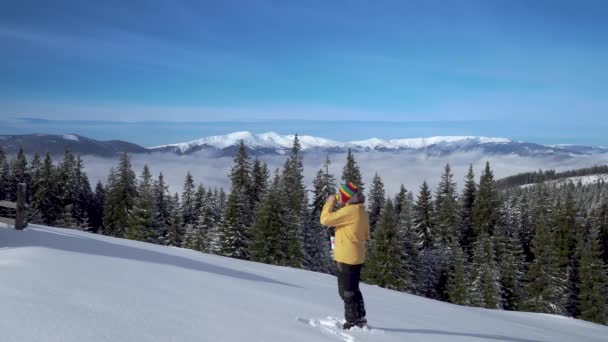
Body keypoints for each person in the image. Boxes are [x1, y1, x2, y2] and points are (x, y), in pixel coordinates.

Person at [320, 182, 370, 330]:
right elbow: (366, 235)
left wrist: (330, 203)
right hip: (357, 255)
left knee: (346, 291)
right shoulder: (362, 211)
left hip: (346, 257)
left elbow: (324, 220)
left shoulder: (350, 212)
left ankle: (352, 323)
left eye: (341, 197)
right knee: (354, 288)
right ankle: (360, 317)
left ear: (348, 198)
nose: (339, 199)